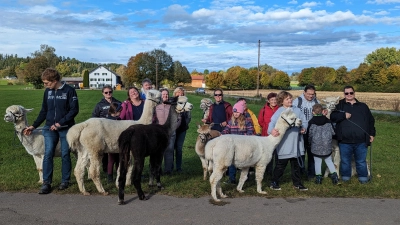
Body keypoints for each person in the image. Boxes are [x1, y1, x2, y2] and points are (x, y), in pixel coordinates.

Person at [23, 68, 79, 194]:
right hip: (49, 128)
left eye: (47, 83)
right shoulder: (47, 92)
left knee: (65, 153)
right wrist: (33, 126)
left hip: (65, 128)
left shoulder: (69, 91)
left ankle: (65, 180)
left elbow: (74, 110)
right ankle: (46, 182)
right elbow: (44, 110)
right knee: (48, 153)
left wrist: (60, 123)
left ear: (55, 81)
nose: (45, 85)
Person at [330, 85, 375, 184]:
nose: (349, 95)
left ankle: (363, 177)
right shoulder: (340, 106)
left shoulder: (363, 106)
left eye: (351, 93)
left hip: (361, 140)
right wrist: (343, 115)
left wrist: (371, 134)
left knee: (361, 161)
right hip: (344, 140)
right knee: (345, 161)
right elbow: (333, 117)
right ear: (344, 94)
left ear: (354, 93)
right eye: (346, 93)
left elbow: (371, 121)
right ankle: (346, 177)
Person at [268, 91, 308, 191]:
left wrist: (304, 128)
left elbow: (304, 121)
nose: (290, 100)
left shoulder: (297, 110)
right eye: (287, 99)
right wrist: (271, 130)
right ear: (282, 101)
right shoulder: (280, 111)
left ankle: (297, 183)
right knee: (281, 165)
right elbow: (272, 123)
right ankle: (274, 182)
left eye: (290, 98)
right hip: (284, 143)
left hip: (297, 142)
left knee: (296, 165)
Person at [222, 101, 254, 184]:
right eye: (234, 112)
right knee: (232, 162)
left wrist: (241, 138)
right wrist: (222, 135)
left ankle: (245, 178)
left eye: (237, 112)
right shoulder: (231, 122)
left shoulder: (247, 122)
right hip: (233, 146)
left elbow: (250, 132)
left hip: (243, 146)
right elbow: (226, 130)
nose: (235, 114)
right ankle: (232, 179)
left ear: (241, 112)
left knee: (244, 162)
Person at [92, 85, 121, 174]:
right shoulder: (99, 105)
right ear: (103, 93)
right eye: (106, 92)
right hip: (103, 130)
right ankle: (105, 169)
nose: (108, 94)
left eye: (110, 92)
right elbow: (94, 117)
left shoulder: (118, 103)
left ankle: (118, 169)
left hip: (116, 129)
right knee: (104, 150)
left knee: (116, 150)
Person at [292, 84, 319, 180]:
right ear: (304, 92)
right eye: (308, 94)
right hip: (301, 131)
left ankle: (311, 173)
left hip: (313, 131)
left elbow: (319, 115)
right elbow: (293, 115)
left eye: (312, 94)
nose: (311, 96)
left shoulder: (316, 101)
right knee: (301, 152)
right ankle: (300, 171)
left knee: (312, 153)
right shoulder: (297, 101)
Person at [307, 103, 338, 185]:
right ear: (322, 111)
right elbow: (333, 132)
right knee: (329, 161)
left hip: (316, 145)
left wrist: (309, 143)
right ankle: (335, 176)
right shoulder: (328, 121)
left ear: (313, 112)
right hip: (326, 145)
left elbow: (309, 134)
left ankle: (318, 178)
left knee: (317, 162)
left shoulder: (311, 122)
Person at [153, 88, 181, 175]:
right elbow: (153, 119)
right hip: (159, 133)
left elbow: (179, 118)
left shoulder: (173, 106)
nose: (165, 96)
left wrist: (173, 128)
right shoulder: (156, 106)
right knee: (157, 151)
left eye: (167, 94)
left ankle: (168, 170)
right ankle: (157, 169)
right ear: (160, 96)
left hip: (170, 133)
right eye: (163, 94)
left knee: (169, 150)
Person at [258, 92, 279, 176]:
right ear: (268, 101)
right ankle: (268, 170)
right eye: (272, 100)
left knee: (277, 153)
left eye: (275, 99)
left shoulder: (280, 109)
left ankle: (277, 170)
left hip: (277, 134)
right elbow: (260, 121)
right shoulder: (264, 109)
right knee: (268, 153)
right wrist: (266, 127)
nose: (274, 101)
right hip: (266, 135)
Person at [173, 87, 191, 172]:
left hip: (182, 129)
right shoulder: (172, 103)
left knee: (179, 149)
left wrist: (185, 123)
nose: (180, 94)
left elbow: (189, 116)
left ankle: (178, 167)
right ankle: (170, 166)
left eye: (182, 93)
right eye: (178, 93)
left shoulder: (186, 104)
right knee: (171, 148)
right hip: (172, 129)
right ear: (175, 93)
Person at [106, 102, 122, 183]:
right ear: (115, 111)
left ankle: (116, 176)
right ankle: (110, 177)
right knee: (112, 160)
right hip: (112, 142)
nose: (121, 113)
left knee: (117, 159)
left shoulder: (111, 119)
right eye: (120, 111)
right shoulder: (111, 121)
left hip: (117, 142)